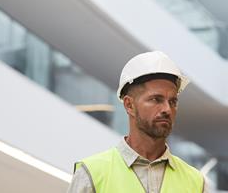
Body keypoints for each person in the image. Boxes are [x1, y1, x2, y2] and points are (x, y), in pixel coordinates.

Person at [67, 51, 207, 193]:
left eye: (173, 101)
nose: (167, 109)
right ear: (129, 105)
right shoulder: (91, 174)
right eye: (156, 99)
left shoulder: (195, 181)